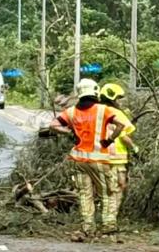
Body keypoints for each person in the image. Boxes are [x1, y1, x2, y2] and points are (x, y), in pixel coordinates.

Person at [49, 78, 124, 241]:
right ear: (95, 91)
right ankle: (108, 228)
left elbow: (53, 125)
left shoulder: (71, 112)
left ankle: (88, 228)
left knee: (85, 194)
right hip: (100, 160)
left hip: (79, 160)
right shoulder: (103, 110)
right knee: (108, 193)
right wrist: (109, 140)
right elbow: (120, 125)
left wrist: (69, 133)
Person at [98, 83, 138, 222]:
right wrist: (135, 148)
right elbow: (124, 136)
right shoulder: (117, 114)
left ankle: (104, 217)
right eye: (118, 98)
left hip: (98, 157)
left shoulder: (96, 111)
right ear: (112, 98)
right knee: (117, 189)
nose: (119, 101)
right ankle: (110, 220)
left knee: (104, 190)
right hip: (116, 159)